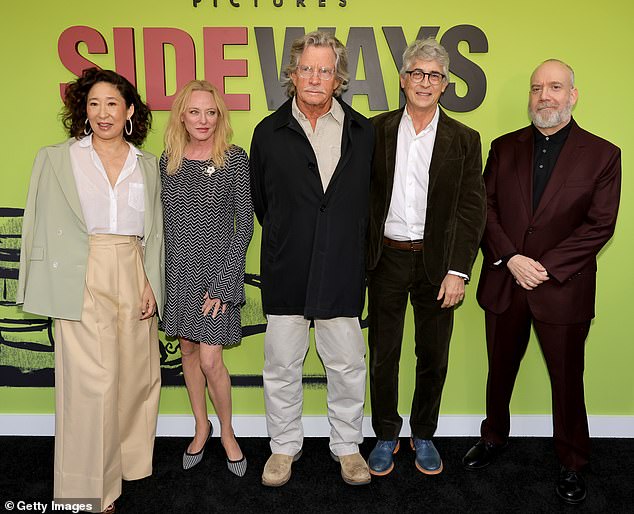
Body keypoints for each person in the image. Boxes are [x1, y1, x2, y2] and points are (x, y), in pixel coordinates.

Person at [462, 59, 621, 505]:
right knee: (500, 370)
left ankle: (573, 462)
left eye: (554, 87)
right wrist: (511, 257)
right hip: (506, 280)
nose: (544, 96)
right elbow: (484, 209)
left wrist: (543, 266)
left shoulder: (604, 154)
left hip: (563, 288)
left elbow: (599, 225)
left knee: (568, 380)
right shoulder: (503, 146)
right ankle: (493, 437)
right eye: (536, 88)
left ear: (573, 95)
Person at [17, 67, 164, 513]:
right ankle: (87, 492)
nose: (103, 113)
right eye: (94, 104)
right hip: (80, 272)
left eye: (112, 104)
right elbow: (35, 226)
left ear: (129, 111)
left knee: (136, 377)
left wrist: (151, 283)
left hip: (133, 268)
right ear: (83, 109)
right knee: (89, 384)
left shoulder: (148, 165)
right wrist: (44, 283)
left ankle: (124, 464)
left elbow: (155, 231)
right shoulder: (57, 159)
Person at [250, 31, 374, 487]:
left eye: (325, 70)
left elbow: (368, 202)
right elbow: (263, 203)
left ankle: (347, 447)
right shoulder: (267, 132)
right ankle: (283, 447)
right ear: (292, 74)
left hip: (342, 267)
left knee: (346, 367)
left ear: (338, 77)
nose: (315, 78)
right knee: (281, 367)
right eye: (307, 68)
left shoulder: (364, 133)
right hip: (287, 267)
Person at [366, 38, 486, 476]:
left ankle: (424, 433)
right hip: (386, 260)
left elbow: (473, 209)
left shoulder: (465, 139)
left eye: (434, 75)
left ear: (445, 84)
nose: (424, 82)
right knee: (383, 353)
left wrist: (459, 270)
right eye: (416, 73)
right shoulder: (374, 131)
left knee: (433, 354)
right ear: (403, 80)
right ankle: (384, 433)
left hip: (439, 266)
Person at [161, 80, 253, 477]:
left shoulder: (233, 158)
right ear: (182, 114)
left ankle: (228, 432)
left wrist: (224, 283)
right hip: (178, 272)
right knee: (188, 351)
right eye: (195, 111)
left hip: (216, 272)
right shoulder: (167, 161)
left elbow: (244, 223)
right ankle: (201, 427)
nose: (203, 120)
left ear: (220, 117)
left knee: (212, 358)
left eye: (211, 112)